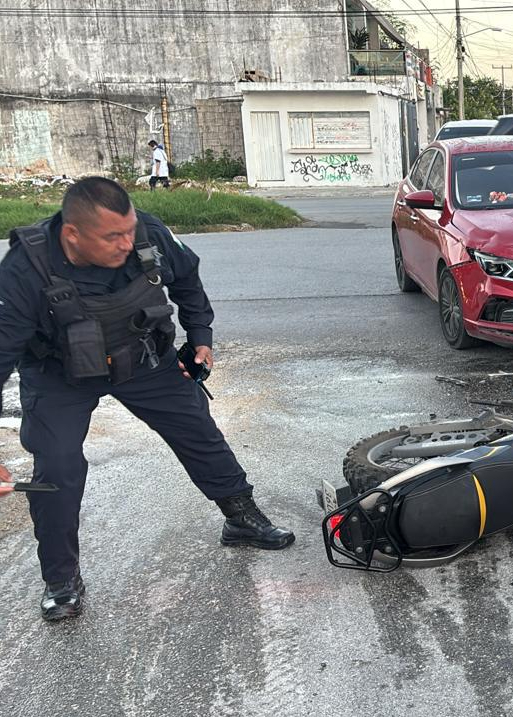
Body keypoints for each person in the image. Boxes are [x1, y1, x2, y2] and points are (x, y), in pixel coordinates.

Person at [0, 177, 294, 622]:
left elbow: (187, 278)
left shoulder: (147, 232)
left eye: (129, 230)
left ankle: (240, 516)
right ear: (72, 234)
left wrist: (200, 336)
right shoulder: (24, 269)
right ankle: (61, 580)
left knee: (197, 428)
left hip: (142, 357)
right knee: (56, 465)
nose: (126, 243)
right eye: (112, 237)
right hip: (60, 373)